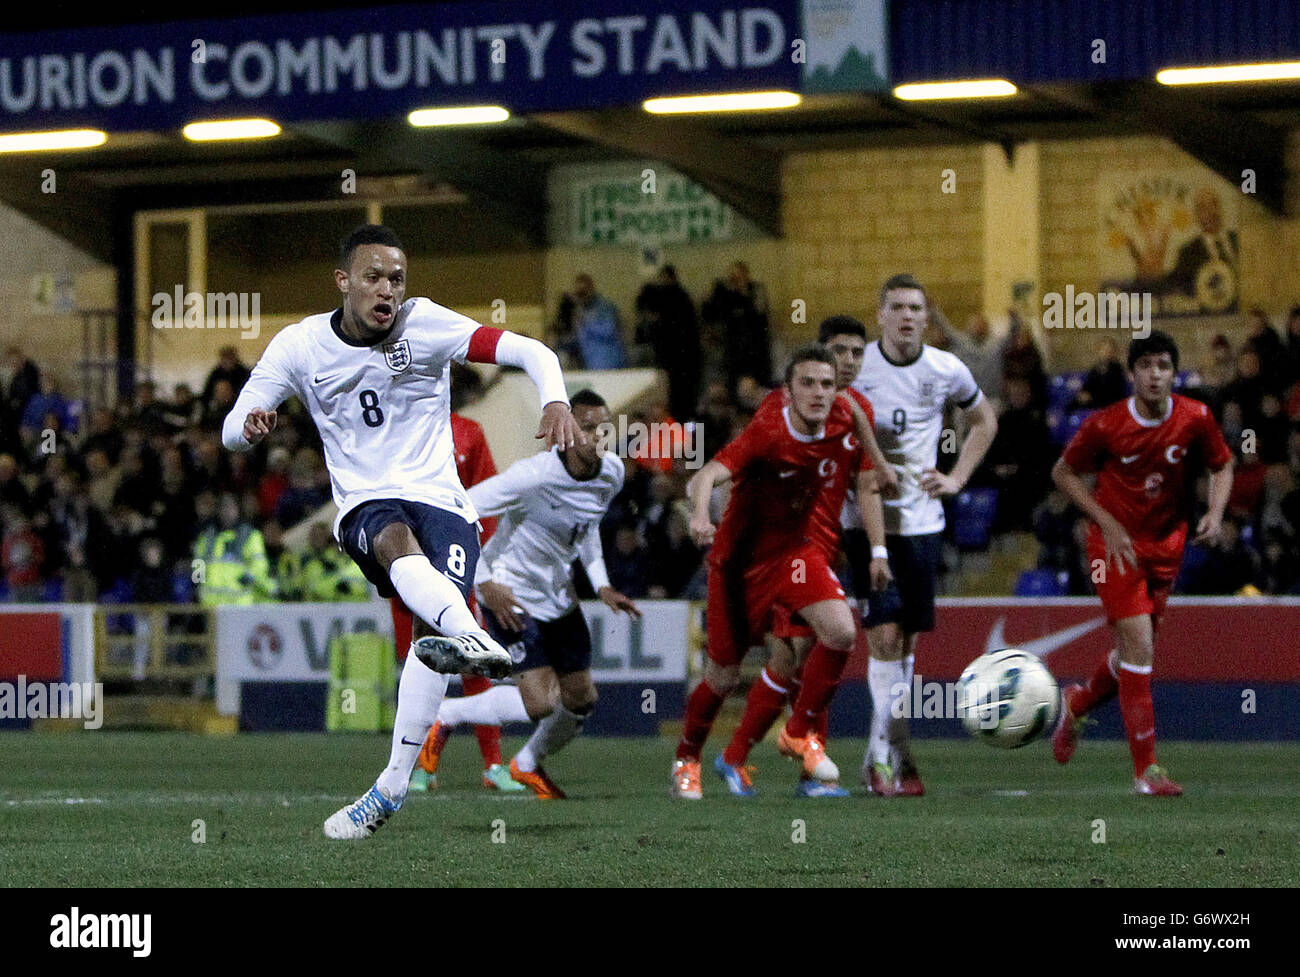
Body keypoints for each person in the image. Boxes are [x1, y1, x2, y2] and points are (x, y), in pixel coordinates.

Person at [221, 224, 581, 839]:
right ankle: (472, 635)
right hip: (365, 501)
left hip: (444, 504)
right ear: (343, 282)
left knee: (426, 643)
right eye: (373, 277)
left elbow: (534, 353)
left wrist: (556, 399)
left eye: (396, 278)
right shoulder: (300, 345)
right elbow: (231, 427)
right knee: (396, 544)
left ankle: (389, 787)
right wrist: (248, 428)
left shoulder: (427, 324)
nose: (387, 289)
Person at [671, 346, 889, 799]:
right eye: (807, 383)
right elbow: (710, 472)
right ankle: (687, 760)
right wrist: (699, 516)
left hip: (794, 555)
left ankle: (798, 730)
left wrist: (880, 463)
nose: (819, 393)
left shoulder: (842, 412)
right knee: (722, 678)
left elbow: (858, 420)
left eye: (827, 384)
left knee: (841, 632)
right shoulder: (769, 432)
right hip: (739, 563)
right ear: (787, 393)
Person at [423, 390, 641, 798]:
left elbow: (587, 525)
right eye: (588, 428)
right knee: (540, 703)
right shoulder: (534, 476)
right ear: (566, 431)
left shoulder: (612, 472)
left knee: (580, 700)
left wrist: (602, 584)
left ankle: (524, 764)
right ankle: (446, 714)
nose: (599, 437)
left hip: (558, 595)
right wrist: (484, 580)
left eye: (604, 428)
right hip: (511, 592)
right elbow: (462, 511)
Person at [1050, 330, 1233, 796]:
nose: (1155, 375)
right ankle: (1146, 772)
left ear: (1174, 372)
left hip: (1166, 548)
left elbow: (1223, 464)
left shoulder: (1196, 417)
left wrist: (1213, 513)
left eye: (1164, 366)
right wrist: (1105, 523)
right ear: (1132, 374)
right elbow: (1063, 473)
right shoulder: (1105, 424)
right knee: (1140, 651)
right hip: (1115, 549)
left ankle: (1077, 703)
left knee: (1135, 655)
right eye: (1146, 366)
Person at [853, 274, 997, 796]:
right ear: (881, 314)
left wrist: (957, 478)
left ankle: (894, 753)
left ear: (926, 318)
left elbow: (985, 421)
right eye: (898, 307)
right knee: (885, 637)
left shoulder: (945, 368)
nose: (909, 316)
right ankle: (879, 759)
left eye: (917, 308)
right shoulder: (858, 367)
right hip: (868, 525)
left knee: (906, 644)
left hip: (923, 524)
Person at [403, 409, 523, 795]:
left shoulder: (469, 432)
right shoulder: (395, 422)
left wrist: (480, 568)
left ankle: (492, 765)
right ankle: (420, 765)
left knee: (474, 662)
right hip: (405, 564)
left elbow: (485, 506)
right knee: (418, 662)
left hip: (455, 564)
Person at [635, 265, 701, 421]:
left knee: (680, 394)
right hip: (668, 356)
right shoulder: (662, 297)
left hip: (681, 356)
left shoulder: (679, 299)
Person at [702, 261, 773, 391]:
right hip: (733, 350)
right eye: (733, 277)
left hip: (755, 349)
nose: (736, 280)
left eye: (739, 275)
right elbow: (711, 314)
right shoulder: (726, 295)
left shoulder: (755, 290)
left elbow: (761, 315)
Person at [570, 274, 628, 370]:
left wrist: (586, 322)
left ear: (591, 289)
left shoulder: (605, 307)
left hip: (609, 361)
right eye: (578, 293)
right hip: (590, 362)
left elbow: (609, 329)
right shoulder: (579, 310)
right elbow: (580, 338)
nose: (581, 297)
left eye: (584, 292)